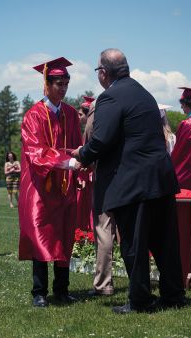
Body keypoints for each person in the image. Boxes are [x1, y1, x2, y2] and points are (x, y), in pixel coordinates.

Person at [72, 48, 186, 313]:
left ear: (103, 73)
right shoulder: (144, 93)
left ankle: (140, 300)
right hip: (160, 178)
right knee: (164, 242)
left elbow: (102, 139)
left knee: (134, 244)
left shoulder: (111, 96)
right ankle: (173, 294)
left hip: (134, 181)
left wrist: (83, 154)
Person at [18, 57, 83, 307]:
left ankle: (62, 289)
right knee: (41, 234)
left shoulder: (69, 113)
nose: (63, 87)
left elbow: (78, 147)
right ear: (46, 83)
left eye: (66, 82)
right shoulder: (33, 115)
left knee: (64, 234)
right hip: (40, 186)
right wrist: (65, 162)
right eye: (58, 83)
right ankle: (39, 291)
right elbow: (35, 151)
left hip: (64, 186)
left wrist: (82, 162)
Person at [83, 99, 118, 296]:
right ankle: (140, 281)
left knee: (104, 227)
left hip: (105, 174)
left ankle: (104, 283)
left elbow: (90, 136)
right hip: (130, 174)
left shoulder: (100, 104)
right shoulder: (133, 99)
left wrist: (84, 156)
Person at [76, 96, 95, 232]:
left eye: (80, 114)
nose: (78, 116)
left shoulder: (90, 132)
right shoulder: (84, 132)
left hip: (90, 175)